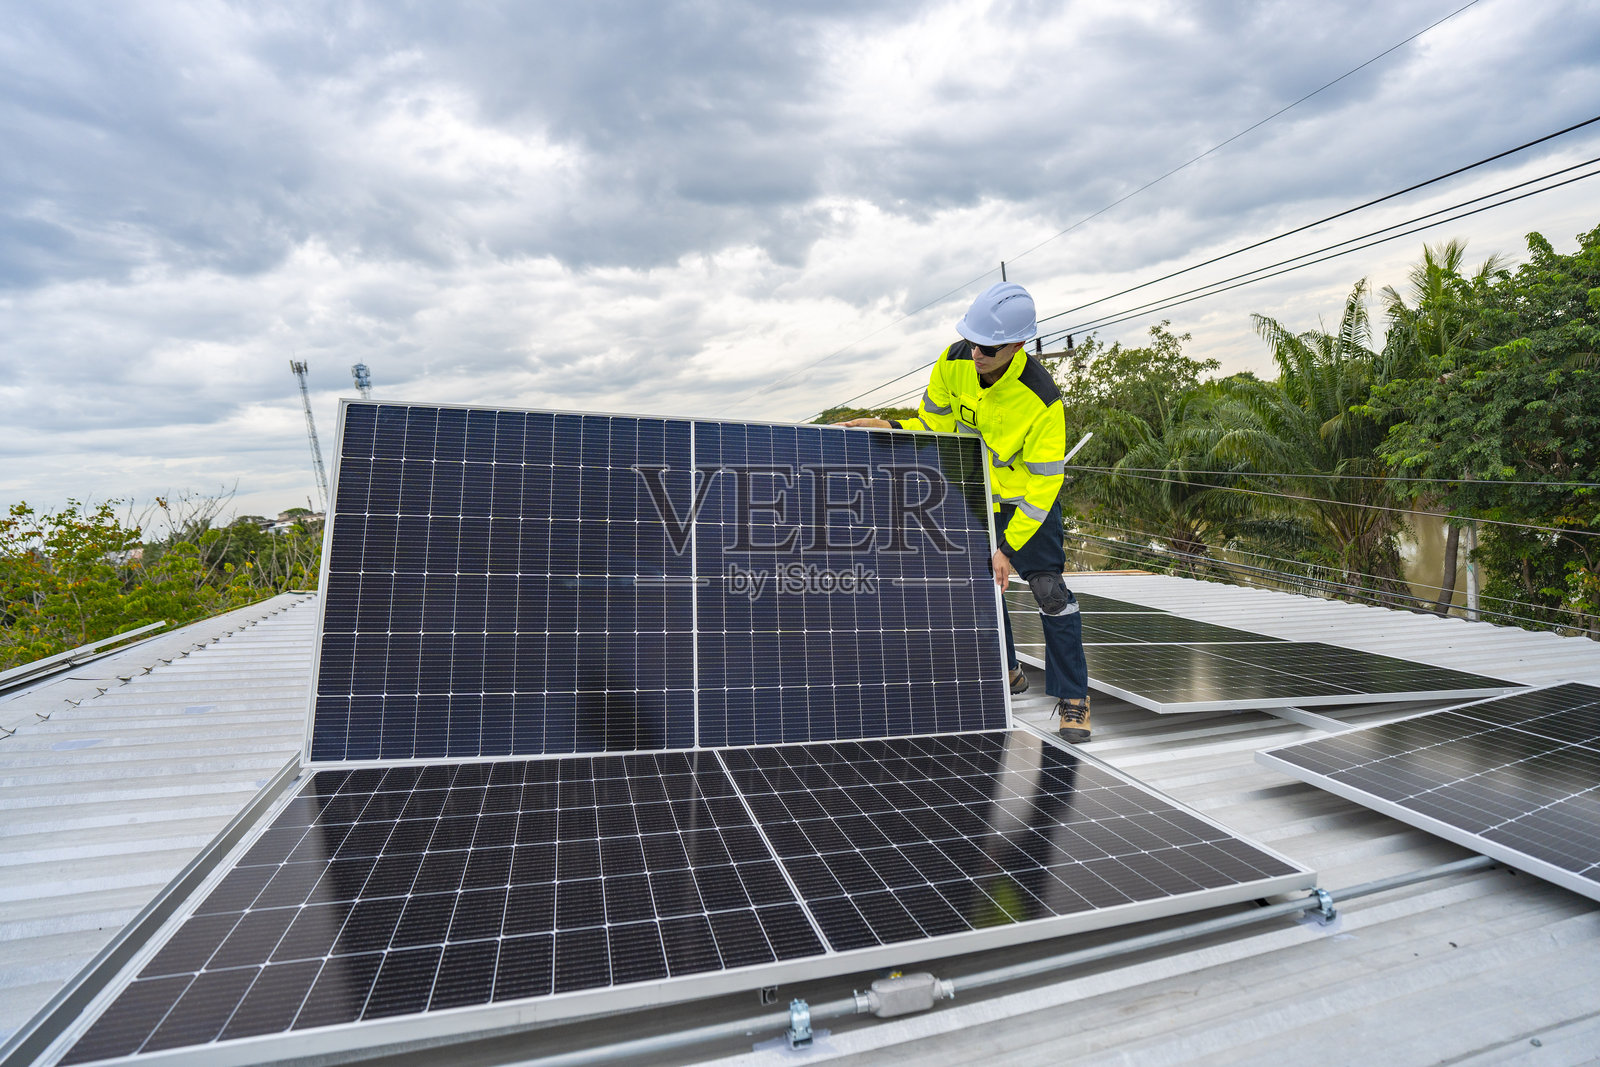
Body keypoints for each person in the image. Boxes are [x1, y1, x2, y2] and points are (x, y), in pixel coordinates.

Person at [836, 282, 1092, 742]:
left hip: (1026, 503)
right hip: (977, 498)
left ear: (1017, 345)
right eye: (972, 340)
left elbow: (1044, 485)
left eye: (988, 347)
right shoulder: (953, 362)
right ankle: (1008, 670)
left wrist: (1008, 547)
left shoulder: (1041, 401)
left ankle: (1074, 698)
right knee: (984, 589)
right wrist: (888, 425)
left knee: (1049, 591)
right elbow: (932, 426)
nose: (976, 353)